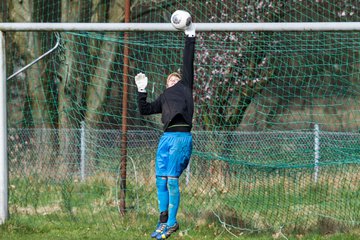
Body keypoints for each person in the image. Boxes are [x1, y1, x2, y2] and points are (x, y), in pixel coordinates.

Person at [134, 11, 196, 240]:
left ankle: (172, 222)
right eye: (170, 79)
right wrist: (141, 91)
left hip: (181, 138)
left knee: (171, 180)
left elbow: (187, 63)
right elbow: (145, 110)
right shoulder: (164, 96)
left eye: (176, 78)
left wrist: (190, 36)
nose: (173, 80)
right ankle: (162, 222)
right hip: (165, 139)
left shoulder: (185, 88)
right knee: (160, 178)